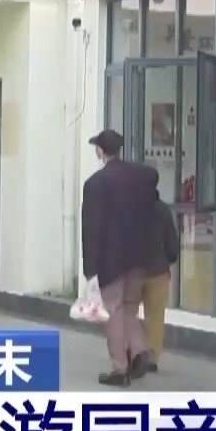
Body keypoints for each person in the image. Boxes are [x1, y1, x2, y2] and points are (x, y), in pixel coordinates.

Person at [81, 128, 162, 385]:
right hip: (139, 256)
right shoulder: (142, 177)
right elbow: (153, 181)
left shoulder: (95, 184)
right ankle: (140, 350)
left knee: (113, 310)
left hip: (111, 260)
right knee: (129, 307)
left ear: (100, 151)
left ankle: (119, 368)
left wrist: (90, 268)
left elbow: (91, 228)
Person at [139, 195, 181, 373]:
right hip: (158, 271)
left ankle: (131, 353)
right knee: (155, 316)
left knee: (127, 313)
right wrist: (166, 260)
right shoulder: (162, 210)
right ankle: (152, 358)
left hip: (132, 272)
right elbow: (172, 245)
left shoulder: (128, 207)